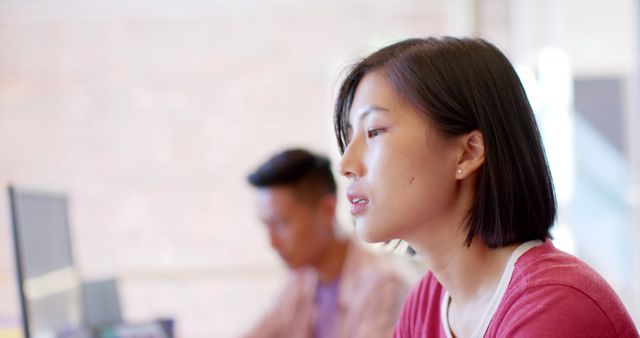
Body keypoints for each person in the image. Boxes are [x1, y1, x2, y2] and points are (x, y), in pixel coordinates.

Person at [334, 37, 639, 337]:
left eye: (374, 131)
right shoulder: (428, 303)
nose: (346, 164)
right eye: (350, 137)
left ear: (468, 152)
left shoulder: (555, 307)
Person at [242, 148, 410, 338]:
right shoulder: (301, 280)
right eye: (267, 225)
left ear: (326, 209)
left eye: (282, 224)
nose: (272, 242)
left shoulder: (381, 286)